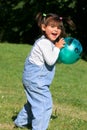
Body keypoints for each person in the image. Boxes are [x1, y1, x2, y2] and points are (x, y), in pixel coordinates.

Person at [14, 12, 74, 130]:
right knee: (43, 105)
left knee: (34, 103)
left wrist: (58, 52)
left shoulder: (47, 43)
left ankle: (20, 122)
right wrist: (57, 48)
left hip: (34, 79)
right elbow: (50, 61)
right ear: (43, 27)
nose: (56, 30)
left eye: (59, 28)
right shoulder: (44, 43)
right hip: (36, 80)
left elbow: (50, 60)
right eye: (52, 26)